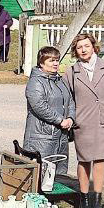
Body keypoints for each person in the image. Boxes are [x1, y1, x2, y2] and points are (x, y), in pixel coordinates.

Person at [64, 32, 104, 208]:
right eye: (79, 47)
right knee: (84, 159)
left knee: (100, 158)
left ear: (93, 47)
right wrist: (71, 116)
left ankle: (97, 198)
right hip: (82, 121)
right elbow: (67, 97)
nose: (83, 50)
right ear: (76, 50)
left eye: (86, 46)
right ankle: (83, 196)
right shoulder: (72, 71)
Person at [22, 45, 75, 177]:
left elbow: (70, 101)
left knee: (59, 173)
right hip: (41, 136)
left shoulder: (60, 80)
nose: (56, 63)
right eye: (51, 60)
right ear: (41, 62)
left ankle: (55, 198)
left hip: (61, 135)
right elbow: (39, 106)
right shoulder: (36, 82)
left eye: (57, 60)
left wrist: (70, 119)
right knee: (41, 174)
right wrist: (59, 120)